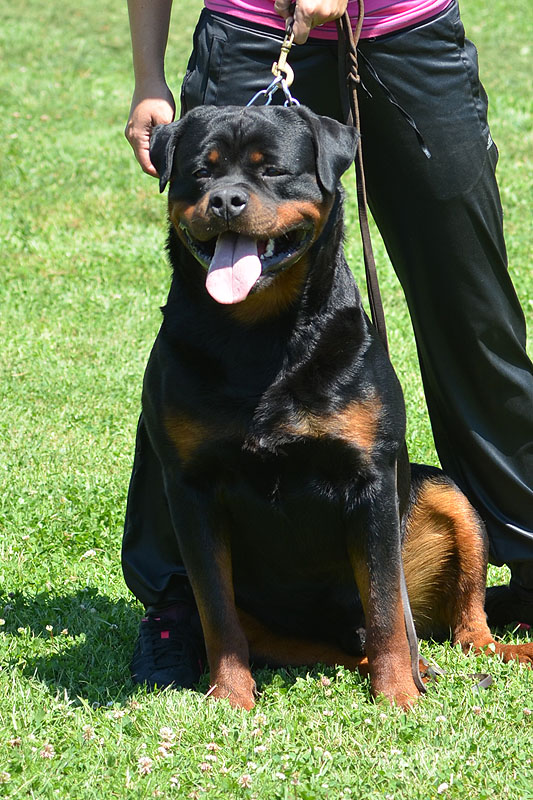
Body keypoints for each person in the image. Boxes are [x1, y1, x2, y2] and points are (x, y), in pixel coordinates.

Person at [123, 0, 533, 690]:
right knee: (197, 342)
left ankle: (524, 571)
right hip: (248, 26)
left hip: (405, 27)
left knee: (473, 314)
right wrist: (146, 75)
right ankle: (175, 608)